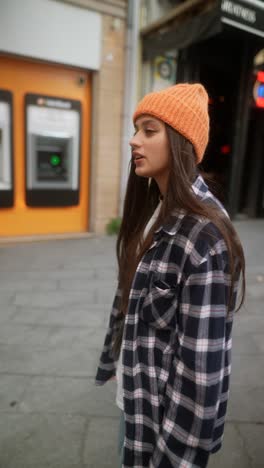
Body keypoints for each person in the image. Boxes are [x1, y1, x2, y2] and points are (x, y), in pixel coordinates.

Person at [95, 83, 245, 468]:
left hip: (163, 430)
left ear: (180, 141)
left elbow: (201, 375)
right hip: (136, 402)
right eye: (135, 129)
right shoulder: (155, 209)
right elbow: (129, 300)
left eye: (148, 130)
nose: (133, 141)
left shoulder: (204, 236)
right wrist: (118, 360)